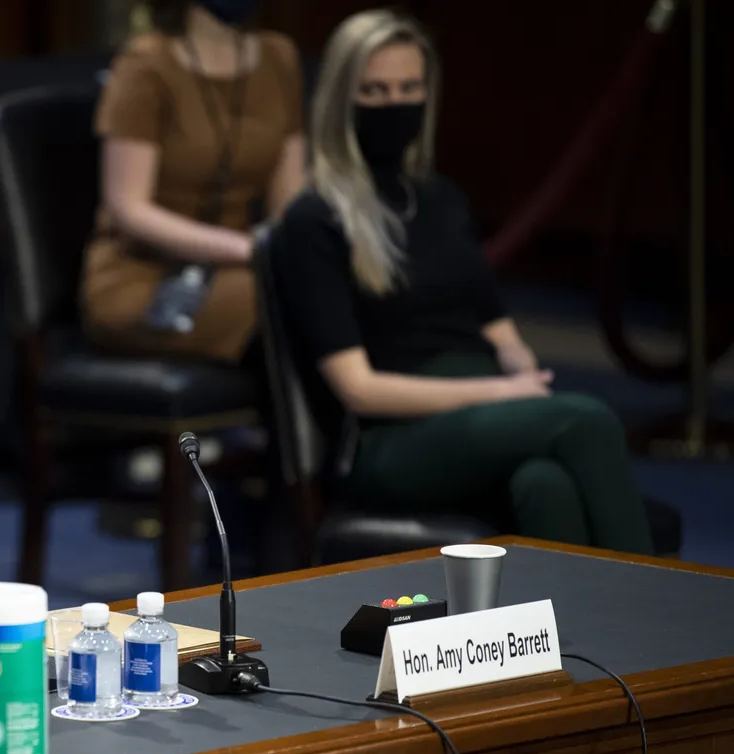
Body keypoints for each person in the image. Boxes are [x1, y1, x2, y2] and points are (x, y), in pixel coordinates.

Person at [273, 10, 654, 553]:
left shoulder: (440, 198)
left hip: (478, 409)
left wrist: (519, 361)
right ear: (341, 100)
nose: (395, 104)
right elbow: (359, 388)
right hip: (390, 439)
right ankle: (656, 610)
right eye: (375, 91)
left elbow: (491, 317)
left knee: (545, 485)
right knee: (586, 421)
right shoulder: (315, 219)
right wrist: (500, 393)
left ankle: (582, 636)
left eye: (410, 88)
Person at [82, 0, 306, 362]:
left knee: (334, 287)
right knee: (279, 298)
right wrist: (248, 250)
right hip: (145, 276)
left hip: (242, 268)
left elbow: (289, 200)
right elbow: (127, 208)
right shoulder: (146, 65)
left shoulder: (279, 58)